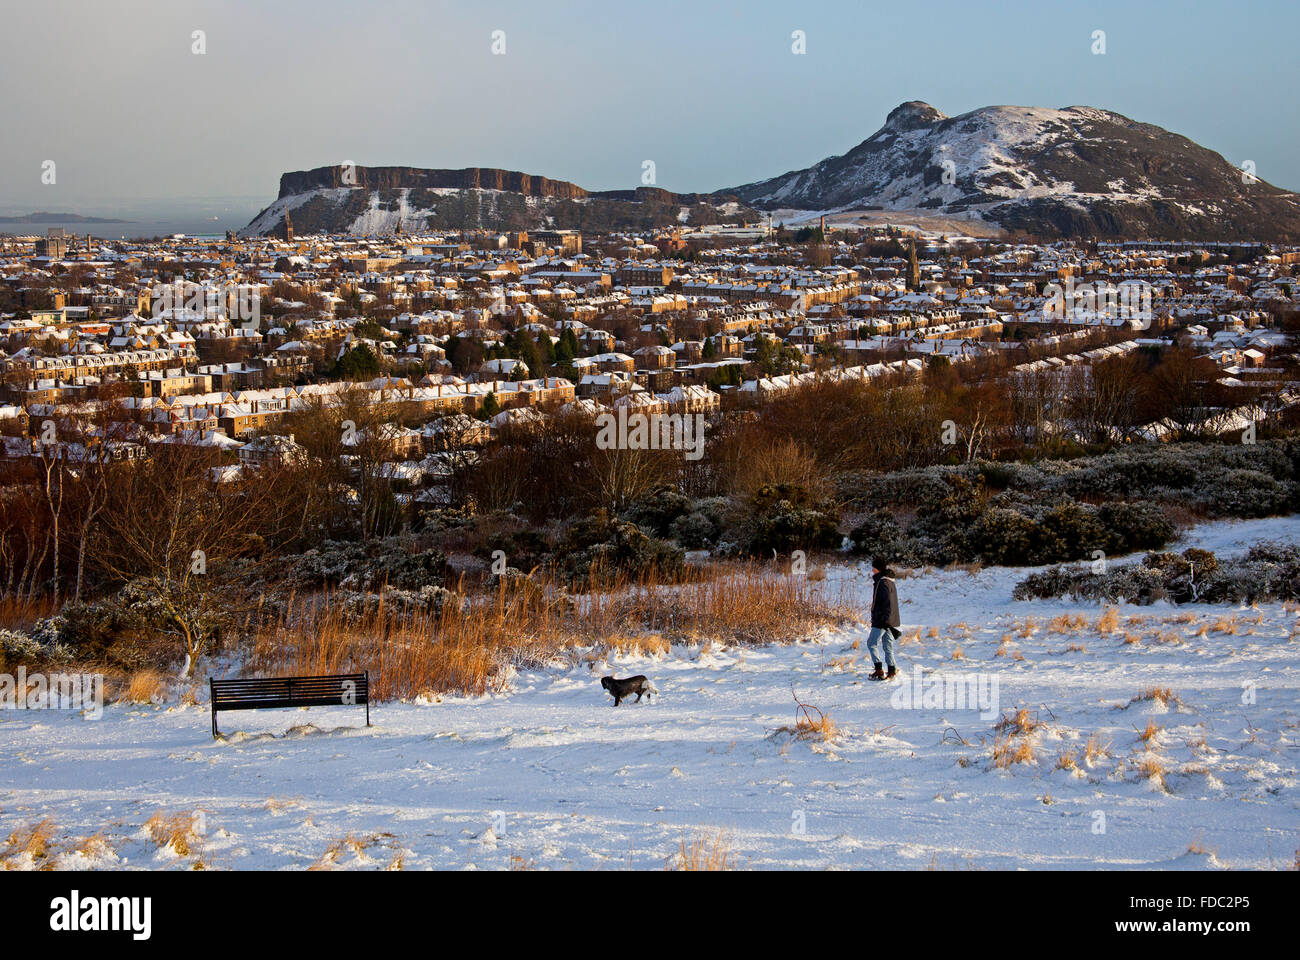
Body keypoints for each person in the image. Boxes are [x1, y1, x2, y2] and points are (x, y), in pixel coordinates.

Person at [866, 558, 901, 681]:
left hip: (882, 621)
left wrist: (884, 620)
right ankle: (892, 670)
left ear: (878, 569)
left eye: (873, 568)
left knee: (871, 643)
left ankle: (879, 669)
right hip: (889, 621)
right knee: (887, 646)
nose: (872, 570)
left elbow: (887, 604)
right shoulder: (888, 581)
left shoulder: (882, 582)